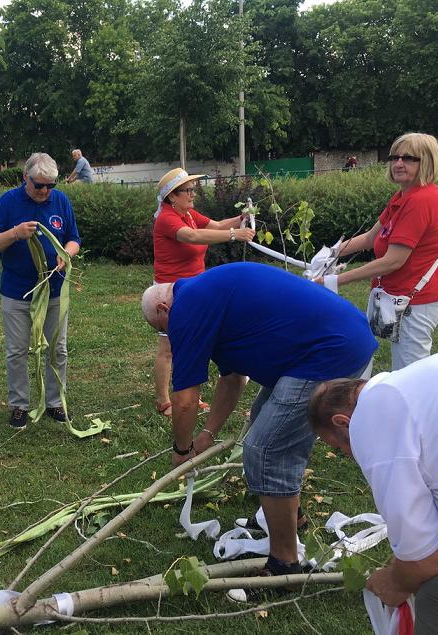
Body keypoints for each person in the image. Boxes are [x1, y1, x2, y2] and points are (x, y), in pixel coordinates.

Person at [141, 262, 376, 594]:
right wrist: (206, 435)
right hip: (337, 338)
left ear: (164, 309)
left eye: (162, 329)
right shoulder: (206, 295)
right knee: (263, 419)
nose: (169, 337)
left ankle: (284, 564)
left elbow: (184, 400)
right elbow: (232, 379)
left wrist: (181, 450)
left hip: (328, 351)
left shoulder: (187, 308)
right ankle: (289, 517)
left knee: (265, 449)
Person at [308, 347, 438, 633]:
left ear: (343, 422)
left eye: (340, 447)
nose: (349, 456)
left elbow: (427, 562)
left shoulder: (371, 420)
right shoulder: (413, 385)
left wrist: (396, 581)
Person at [318, 133, 438, 370]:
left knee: (410, 373)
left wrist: (334, 280)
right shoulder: (403, 196)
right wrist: (332, 252)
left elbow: (392, 261)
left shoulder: (421, 201)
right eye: (394, 157)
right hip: (397, 298)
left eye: (409, 158)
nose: (398, 163)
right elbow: (371, 238)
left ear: (427, 162)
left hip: (415, 302)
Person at [0, 153, 81, 429]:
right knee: (17, 351)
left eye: (50, 185)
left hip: (54, 290)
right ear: (25, 178)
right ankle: (19, 405)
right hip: (17, 292)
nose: (44, 191)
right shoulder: (8, 202)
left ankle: (55, 402)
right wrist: (14, 233)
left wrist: (66, 253)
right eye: (39, 185)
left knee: (57, 349)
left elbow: (74, 238)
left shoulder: (60, 201)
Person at [151, 167, 254, 417]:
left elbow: (216, 225)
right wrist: (234, 234)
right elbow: (192, 236)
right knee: (169, 347)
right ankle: (164, 400)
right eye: (187, 190)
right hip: (169, 291)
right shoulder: (167, 218)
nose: (193, 194)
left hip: (193, 289)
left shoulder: (187, 213)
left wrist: (240, 218)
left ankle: (189, 394)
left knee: (193, 342)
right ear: (172, 196)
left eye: (192, 189)